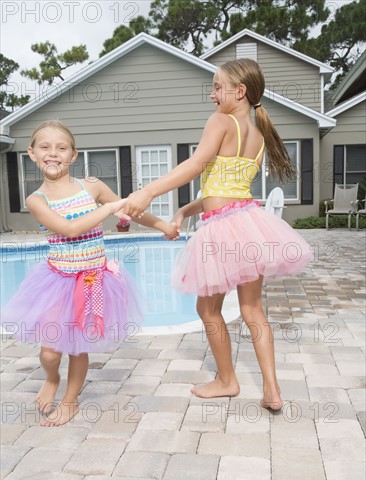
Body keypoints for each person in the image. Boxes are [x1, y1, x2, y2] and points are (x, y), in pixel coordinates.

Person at [120, 59, 314, 409]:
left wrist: (148, 192)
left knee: (207, 308)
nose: (212, 95)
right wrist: (183, 211)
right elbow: (224, 189)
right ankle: (272, 389)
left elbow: (196, 166)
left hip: (223, 231)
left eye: (217, 87)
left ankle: (227, 380)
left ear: (239, 92)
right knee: (253, 308)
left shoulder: (220, 121)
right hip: (249, 223)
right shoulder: (256, 135)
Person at [1, 120, 179, 426]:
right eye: (45, 147)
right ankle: (51, 378)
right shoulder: (36, 199)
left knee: (78, 346)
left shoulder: (92, 186)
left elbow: (130, 208)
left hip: (94, 279)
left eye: (61, 147)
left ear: (73, 154)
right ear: (32, 153)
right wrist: (109, 209)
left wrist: (163, 226)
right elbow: (70, 229)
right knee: (50, 353)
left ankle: (70, 402)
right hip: (58, 281)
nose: (53, 153)